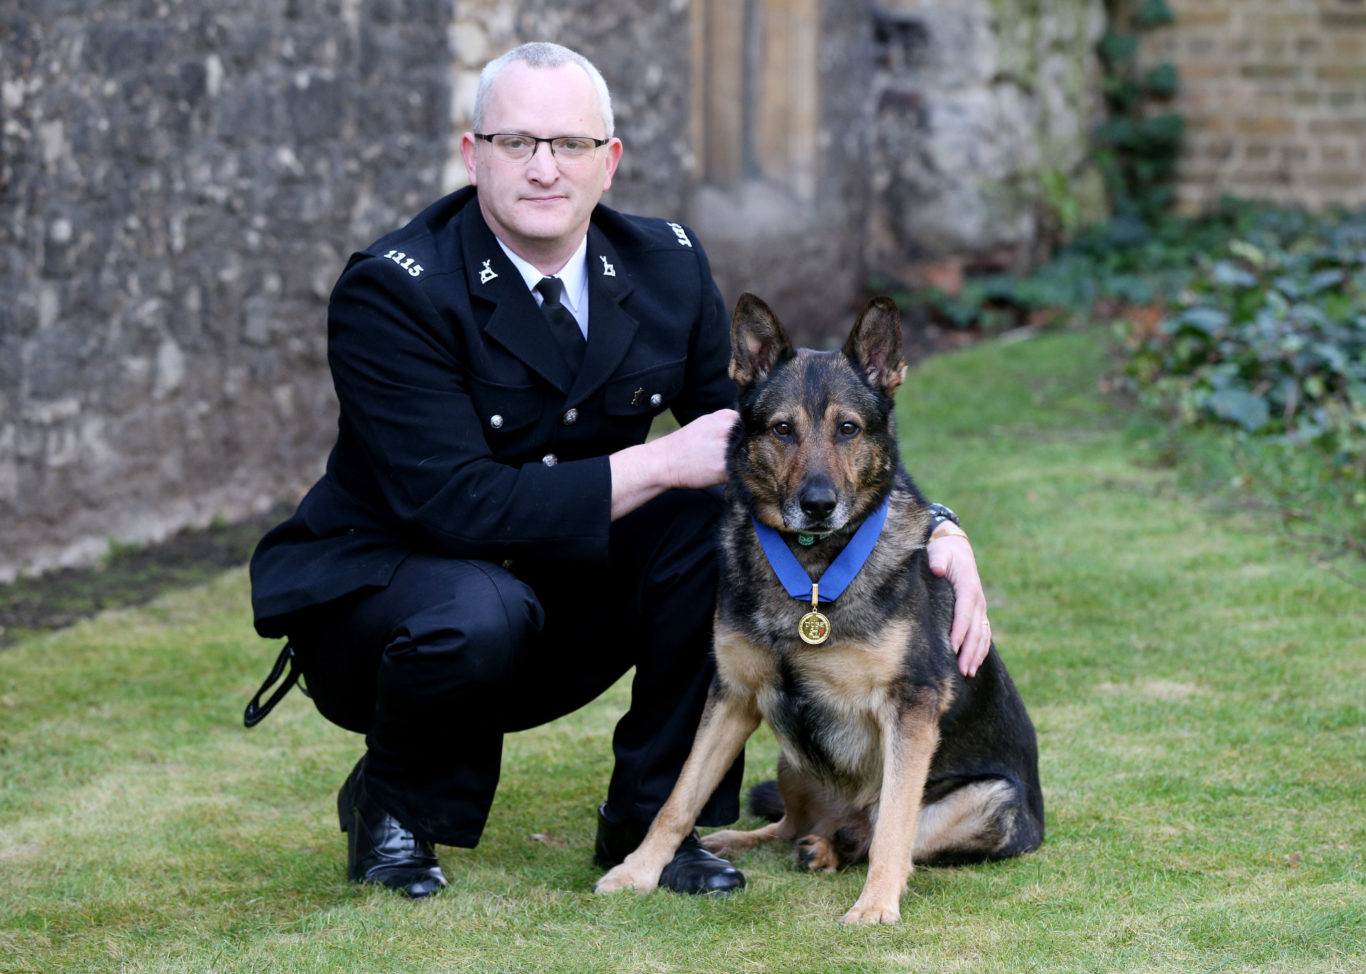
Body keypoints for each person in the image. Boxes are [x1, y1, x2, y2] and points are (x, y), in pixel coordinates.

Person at [246, 41, 993, 899]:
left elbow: (780, 439)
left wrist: (937, 530)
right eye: (516, 143)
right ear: (471, 154)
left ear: (610, 162)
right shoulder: (395, 291)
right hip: (388, 613)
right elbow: (451, 504)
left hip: (554, 598)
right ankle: (395, 807)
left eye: (571, 145)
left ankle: (650, 826)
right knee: (481, 604)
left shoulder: (663, 265)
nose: (544, 169)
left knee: (702, 527)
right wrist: (652, 461)